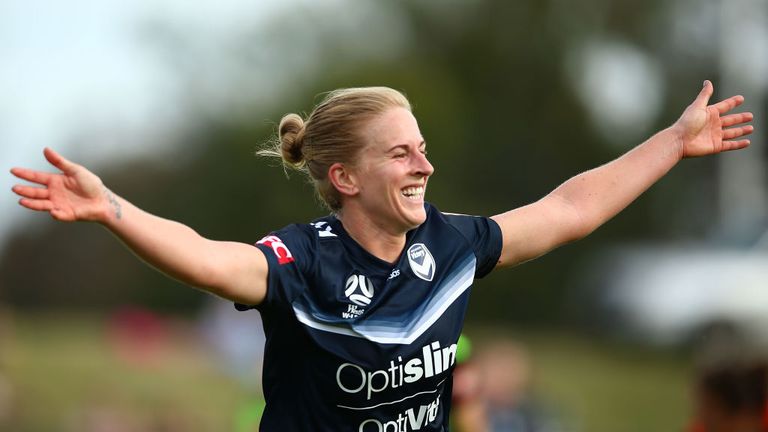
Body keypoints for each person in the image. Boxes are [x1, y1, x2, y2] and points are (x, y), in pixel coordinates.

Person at [10, 81, 754, 431]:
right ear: (346, 177)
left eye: (423, 149)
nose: (424, 166)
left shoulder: (452, 245)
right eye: (401, 153)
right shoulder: (302, 264)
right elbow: (205, 258)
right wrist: (111, 208)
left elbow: (568, 210)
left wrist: (674, 143)